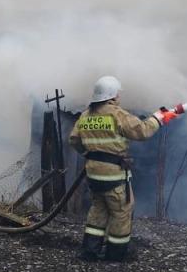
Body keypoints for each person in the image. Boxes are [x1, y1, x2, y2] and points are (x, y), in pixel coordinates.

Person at [68, 75, 179, 261]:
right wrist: (159, 118)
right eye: (118, 93)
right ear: (112, 95)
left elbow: (74, 140)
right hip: (113, 175)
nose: (119, 97)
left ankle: (90, 251)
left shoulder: (85, 115)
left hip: (93, 174)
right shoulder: (116, 114)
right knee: (121, 211)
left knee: (98, 208)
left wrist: (89, 154)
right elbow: (142, 131)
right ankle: (116, 254)